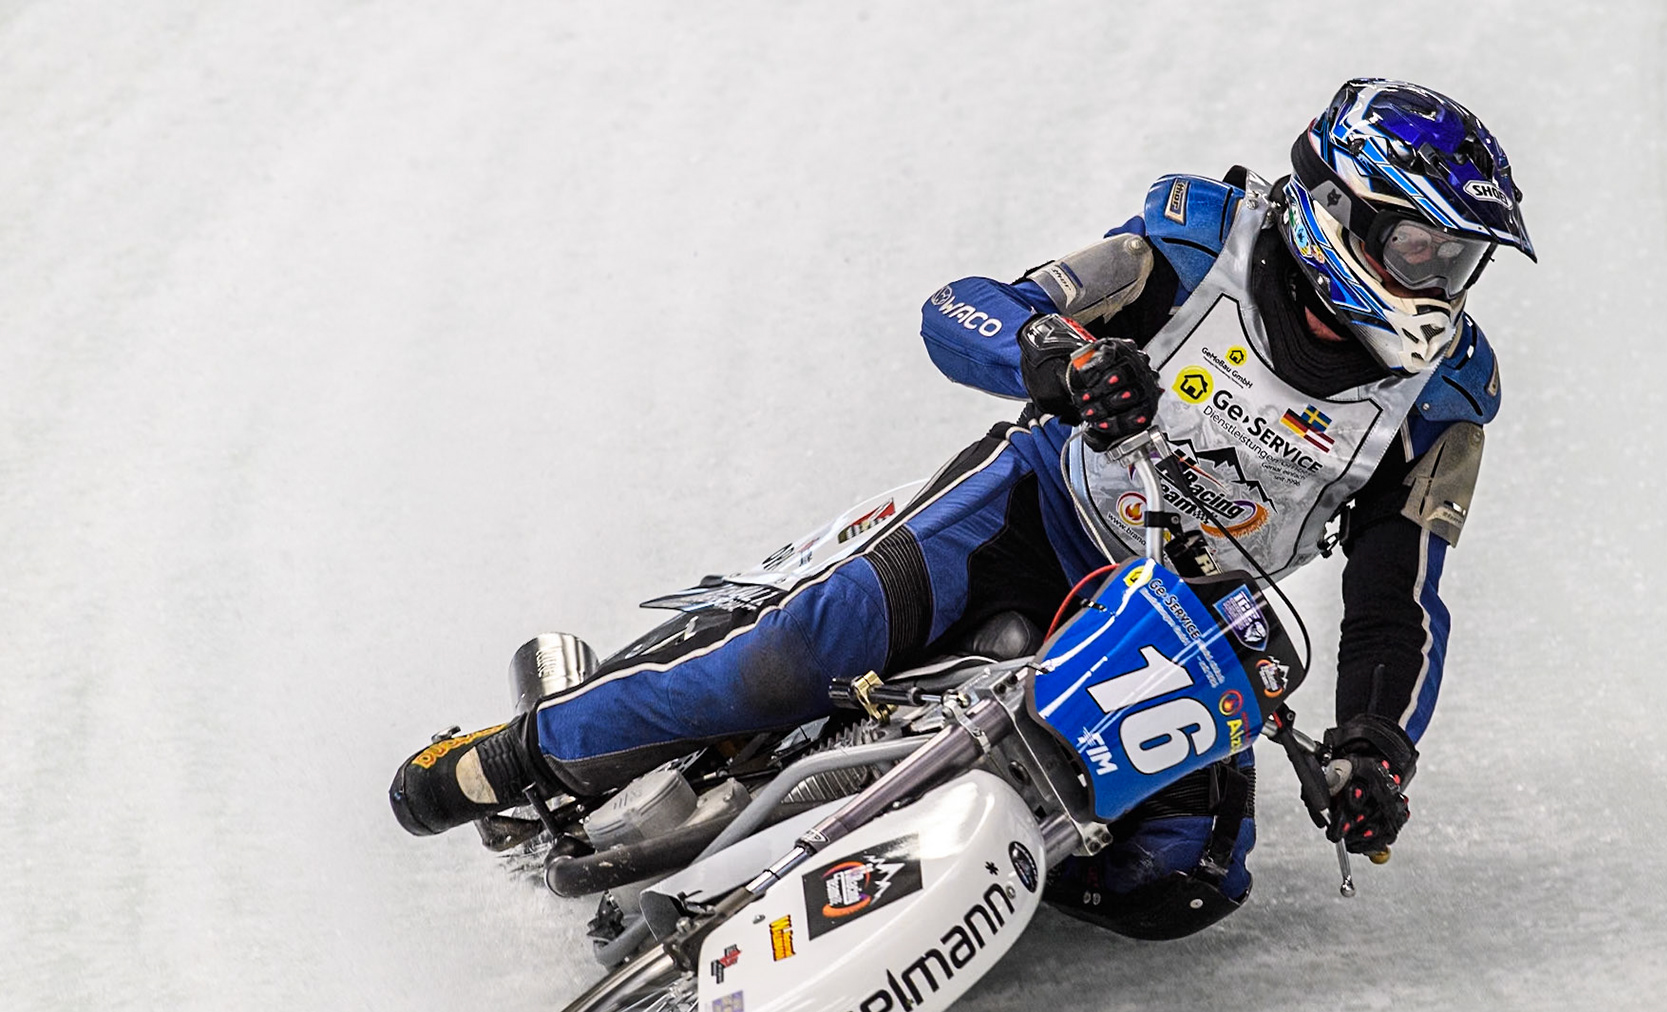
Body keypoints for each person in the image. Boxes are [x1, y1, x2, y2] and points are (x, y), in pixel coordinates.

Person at [390, 78, 1535, 939]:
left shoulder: (1444, 401)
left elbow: (1402, 598)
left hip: (1184, 624)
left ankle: (911, 871)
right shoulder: (1194, 245)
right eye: (1422, 245)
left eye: (1460, 261)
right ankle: (510, 753)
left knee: (1184, 880)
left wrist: (1380, 749)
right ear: (1343, 208)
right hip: (1035, 514)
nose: (1438, 283)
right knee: (786, 657)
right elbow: (965, 308)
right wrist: (1061, 357)